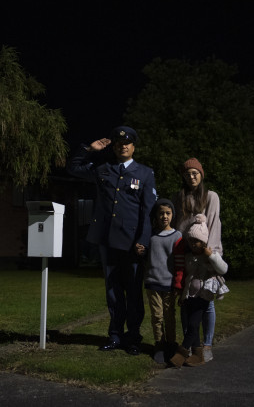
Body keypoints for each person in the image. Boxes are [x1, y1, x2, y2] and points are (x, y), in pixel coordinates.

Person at [67, 126, 157, 355]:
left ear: (133, 146)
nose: (122, 146)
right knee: (113, 292)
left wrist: (143, 240)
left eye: (127, 143)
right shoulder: (103, 169)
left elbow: (147, 212)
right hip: (108, 241)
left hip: (132, 243)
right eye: (118, 144)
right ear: (114, 147)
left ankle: (133, 338)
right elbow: (74, 168)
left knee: (134, 293)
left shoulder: (145, 173)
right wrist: (89, 149)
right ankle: (115, 336)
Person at [172, 157, 222, 362]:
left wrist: (210, 253)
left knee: (207, 302)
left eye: (195, 173)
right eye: (187, 173)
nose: (191, 176)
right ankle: (191, 345)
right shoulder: (179, 197)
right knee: (186, 300)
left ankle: (207, 344)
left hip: (205, 253)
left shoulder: (211, 196)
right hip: (185, 253)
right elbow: (177, 226)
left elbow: (213, 224)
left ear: (201, 175)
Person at [170, 214, 228, 367]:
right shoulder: (188, 256)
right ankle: (197, 355)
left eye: (197, 241)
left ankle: (181, 353)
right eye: (191, 240)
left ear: (203, 241)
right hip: (190, 296)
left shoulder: (208, 256)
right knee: (190, 324)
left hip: (203, 297)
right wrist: (183, 296)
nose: (194, 244)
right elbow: (188, 280)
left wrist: (212, 256)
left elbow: (223, 269)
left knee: (194, 324)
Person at [144, 198, 185, 363]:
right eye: (161, 213)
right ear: (156, 215)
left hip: (169, 284)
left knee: (169, 315)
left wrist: (178, 284)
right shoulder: (150, 236)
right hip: (153, 282)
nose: (164, 216)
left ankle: (171, 344)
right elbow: (147, 257)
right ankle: (159, 344)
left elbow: (180, 262)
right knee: (157, 316)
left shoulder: (177, 235)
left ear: (172, 215)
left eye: (168, 213)